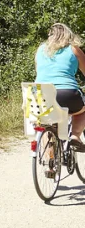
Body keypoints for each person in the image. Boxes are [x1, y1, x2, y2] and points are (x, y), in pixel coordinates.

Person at [35, 23, 85, 151]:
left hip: (40, 94)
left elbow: (39, 72)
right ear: (69, 36)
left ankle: (50, 165)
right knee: (82, 110)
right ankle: (75, 136)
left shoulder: (40, 49)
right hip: (67, 93)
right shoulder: (73, 49)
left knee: (45, 122)